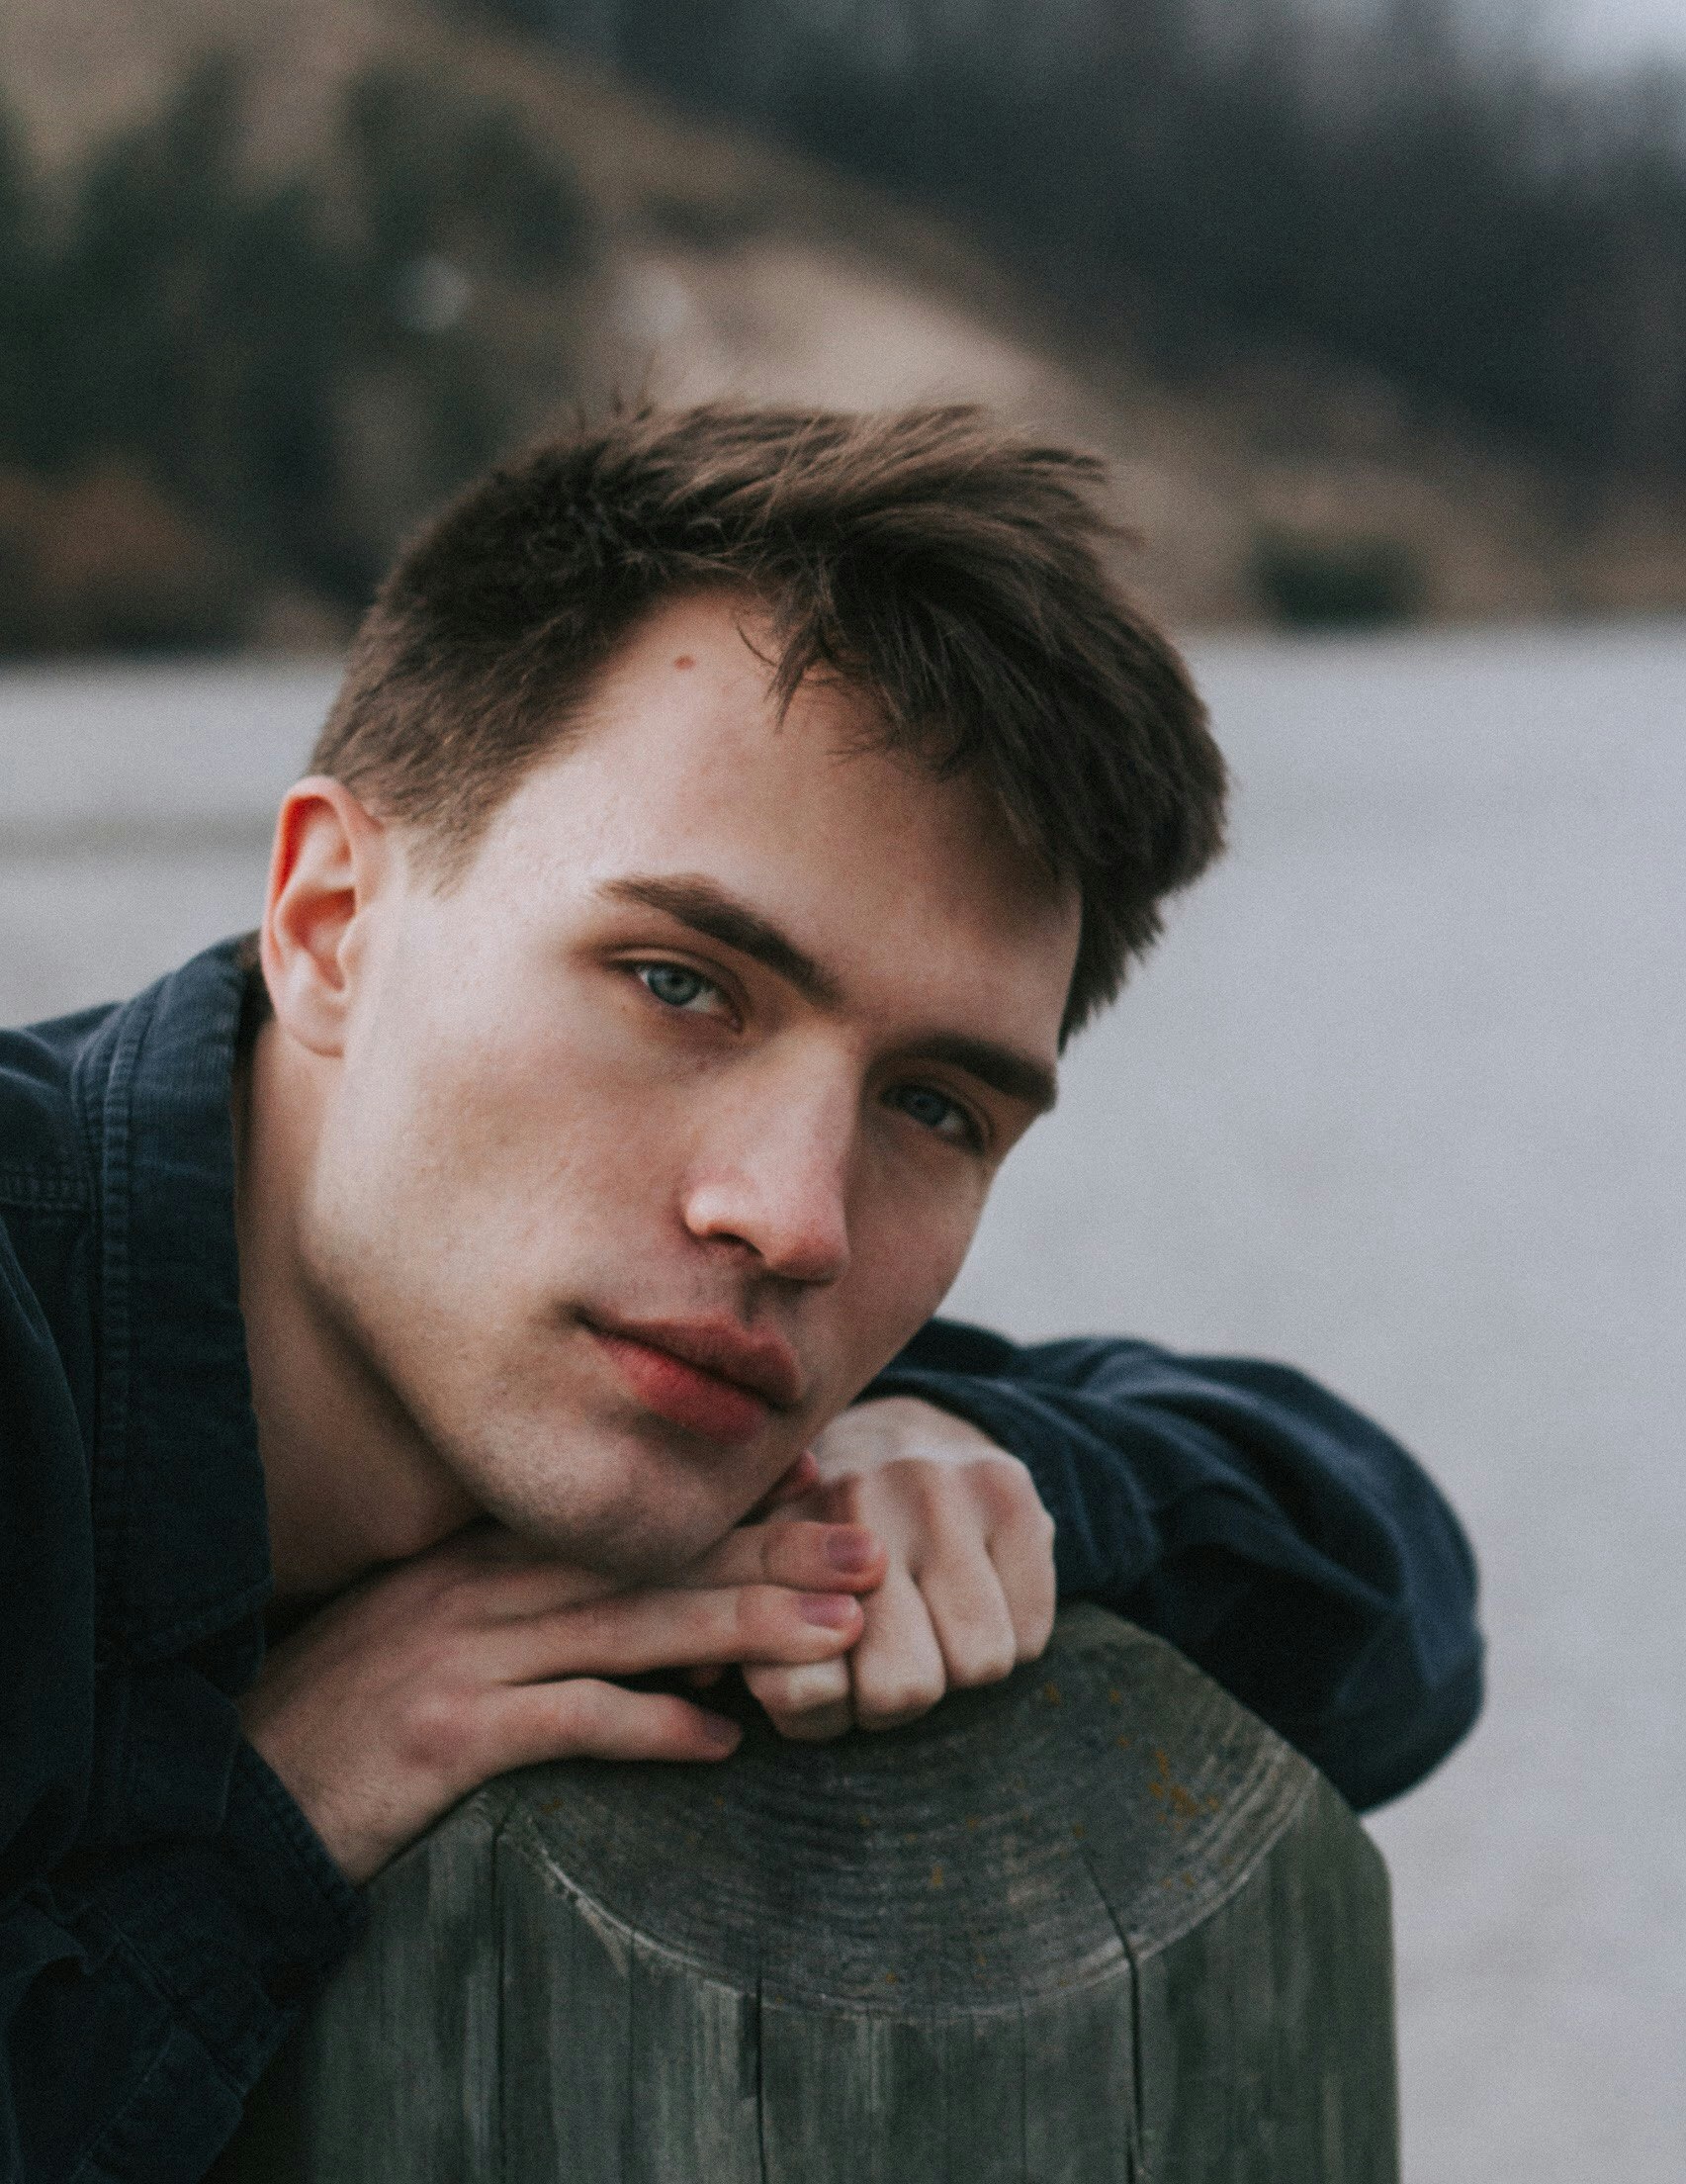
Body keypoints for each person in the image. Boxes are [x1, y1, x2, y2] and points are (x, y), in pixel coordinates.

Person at [0, 404, 1481, 2183]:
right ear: (331, 922)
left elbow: (1398, 1608)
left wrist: (978, 1473)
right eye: (677, 985)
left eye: (936, 1106)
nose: (793, 1220)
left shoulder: (591, 1321)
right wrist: (272, 1820)